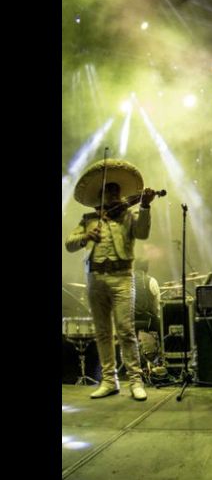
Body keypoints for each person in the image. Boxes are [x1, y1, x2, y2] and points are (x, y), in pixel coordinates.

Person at [65, 159, 157, 401]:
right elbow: (69, 244)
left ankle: (136, 380)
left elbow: (143, 232)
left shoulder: (127, 216)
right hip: (95, 277)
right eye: (109, 191)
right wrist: (86, 236)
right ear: (101, 196)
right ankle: (109, 380)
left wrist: (145, 206)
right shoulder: (89, 219)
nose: (114, 195)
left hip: (122, 277)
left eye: (116, 191)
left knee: (125, 330)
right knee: (103, 332)